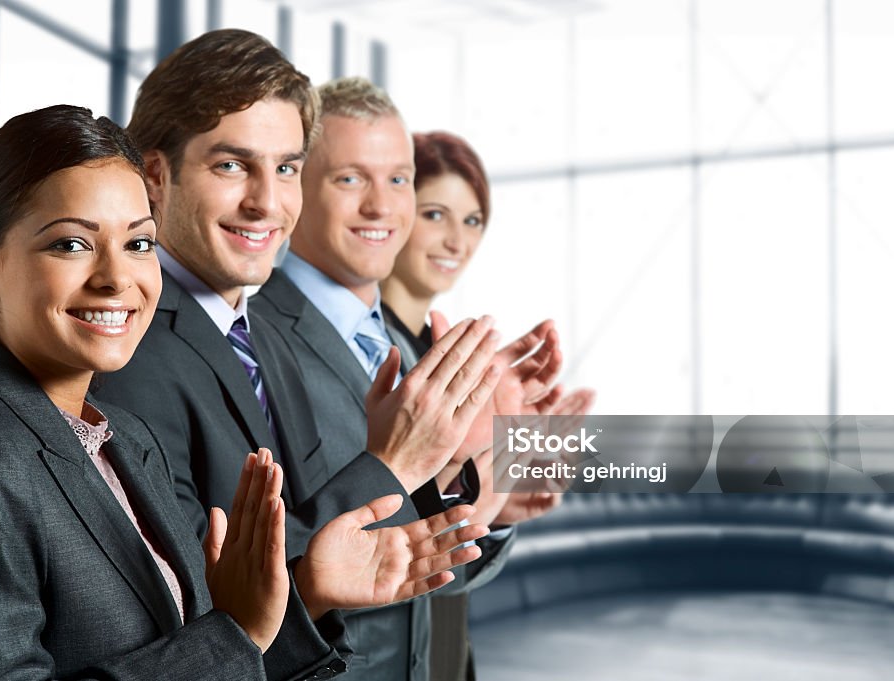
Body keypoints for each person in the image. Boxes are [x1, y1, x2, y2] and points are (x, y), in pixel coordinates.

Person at [0, 105, 486, 681]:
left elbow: (208, 655)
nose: (116, 278)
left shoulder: (124, 440)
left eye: (138, 243)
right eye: (71, 243)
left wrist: (304, 591)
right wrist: (236, 636)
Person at [93, 31, 504, 681]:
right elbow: (189, 617)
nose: (267, 201)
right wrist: (389, 463)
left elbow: (310, 549)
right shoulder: (126, 348)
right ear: (154, 175)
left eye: (285, 168)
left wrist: (459, 472)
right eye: (232, 165)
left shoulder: (252, 335)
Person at [251, 77, 578, 681]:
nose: (382, 206)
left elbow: (424, 570)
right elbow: (255, 574)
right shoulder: (247, 334)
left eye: (398, 179)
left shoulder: (406, 345)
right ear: (294, 187)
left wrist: (490, 501)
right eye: (350, 179)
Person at [379, 130, 598, 680]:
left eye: (472, 221)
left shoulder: (444, 354)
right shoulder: (361, 352)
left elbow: (446, 541)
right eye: (436, 214)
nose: (456, 240)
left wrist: (493, 503)